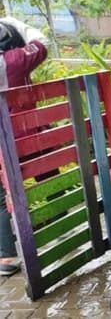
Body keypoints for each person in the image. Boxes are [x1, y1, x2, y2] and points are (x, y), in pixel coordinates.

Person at [0, 19, 48, 277]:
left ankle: (7, 256)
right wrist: (13, 20)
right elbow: (42, 42)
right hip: (23, 135)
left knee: (0, 196)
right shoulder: (15, 60)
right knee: (47, 171)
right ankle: (58, 222)